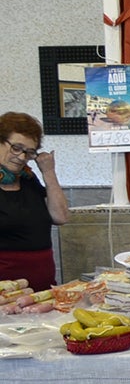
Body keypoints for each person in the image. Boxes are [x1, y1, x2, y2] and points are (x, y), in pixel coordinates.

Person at [0, 111, 70, 289]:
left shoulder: (28, 179)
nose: (22, 157)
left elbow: (61, 217)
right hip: (6, 293)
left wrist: (49, 172)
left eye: (29, 152)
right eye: (16, 148)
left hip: (42, 287)